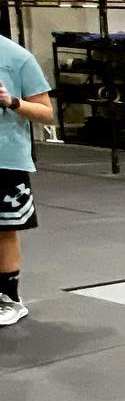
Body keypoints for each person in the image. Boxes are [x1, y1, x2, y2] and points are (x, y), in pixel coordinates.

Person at [0, 30, 54, 329]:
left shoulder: (18, 57)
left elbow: (46, 112)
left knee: (4, 229)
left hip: (5, 159)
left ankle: (10, 299)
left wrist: (11, 101)